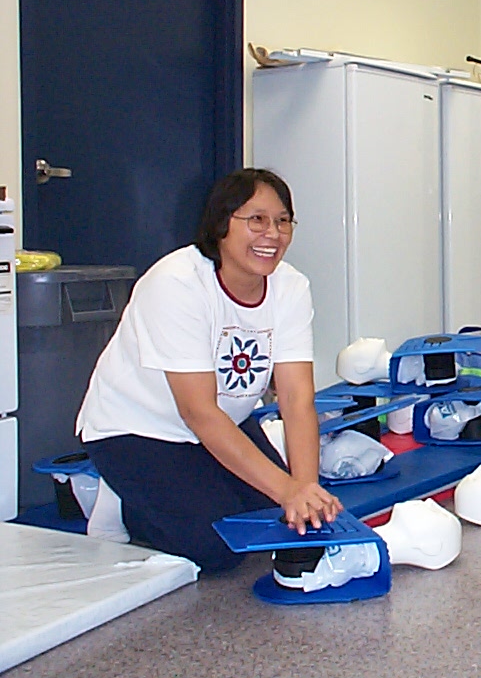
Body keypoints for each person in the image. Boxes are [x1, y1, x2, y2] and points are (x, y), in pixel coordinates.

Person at [76, 168, 342, 573]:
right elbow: (197, 411)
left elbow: (296, 398)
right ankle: (120, 503)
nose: (272, 233)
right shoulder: (176, 283)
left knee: (274, 524)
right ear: (221, 224)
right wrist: (287, 488)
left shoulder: (290, 287)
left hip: (223, 425)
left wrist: (304, 492)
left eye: (282, 221)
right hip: (137, 430)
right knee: (217, 549)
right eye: (256, 220)